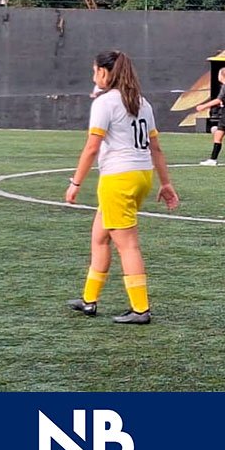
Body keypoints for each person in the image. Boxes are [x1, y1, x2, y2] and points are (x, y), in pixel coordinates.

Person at [65, 50, 179, 325]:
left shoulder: (106, 104)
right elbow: (156, 148)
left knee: (127, 246)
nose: (93, 76)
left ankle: (141, 309)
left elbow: (92, 147)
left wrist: (75, 183)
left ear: (104, 73)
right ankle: (89, 300)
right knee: (99, 236)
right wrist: (165, 183)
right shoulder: (142, 102)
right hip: (140, 175)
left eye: (95, 71)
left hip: (119, 179)